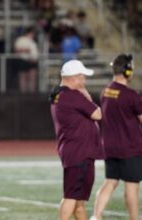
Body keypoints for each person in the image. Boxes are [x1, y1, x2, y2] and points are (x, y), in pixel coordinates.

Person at [49, 60, 104, 220]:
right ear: (72, 78)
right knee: (71, 197)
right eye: (81, 77)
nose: (84, 81)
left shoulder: (58, 93)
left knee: (79, 202)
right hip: (80, 152)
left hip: (74, 150)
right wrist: (85, 93)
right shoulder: (71, 95)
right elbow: (98, 114)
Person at [90, 54, 142, 220]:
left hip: (110, 146)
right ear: (127, 71)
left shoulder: (105, 91)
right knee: (132, 187)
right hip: (130, 147)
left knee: (110, 181)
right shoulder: (131, 95)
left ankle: (96, 216)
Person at [13, 26, 38, 93]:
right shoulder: (21, 40)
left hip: (32, 61)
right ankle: (23, 93)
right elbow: (16, 50)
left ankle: (32, 93)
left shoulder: (33, 42)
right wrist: (26, 50)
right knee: (23, 77)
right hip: (23, 61)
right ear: (29, 33)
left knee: (32, 77)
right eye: (32, 33)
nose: (33, 35)